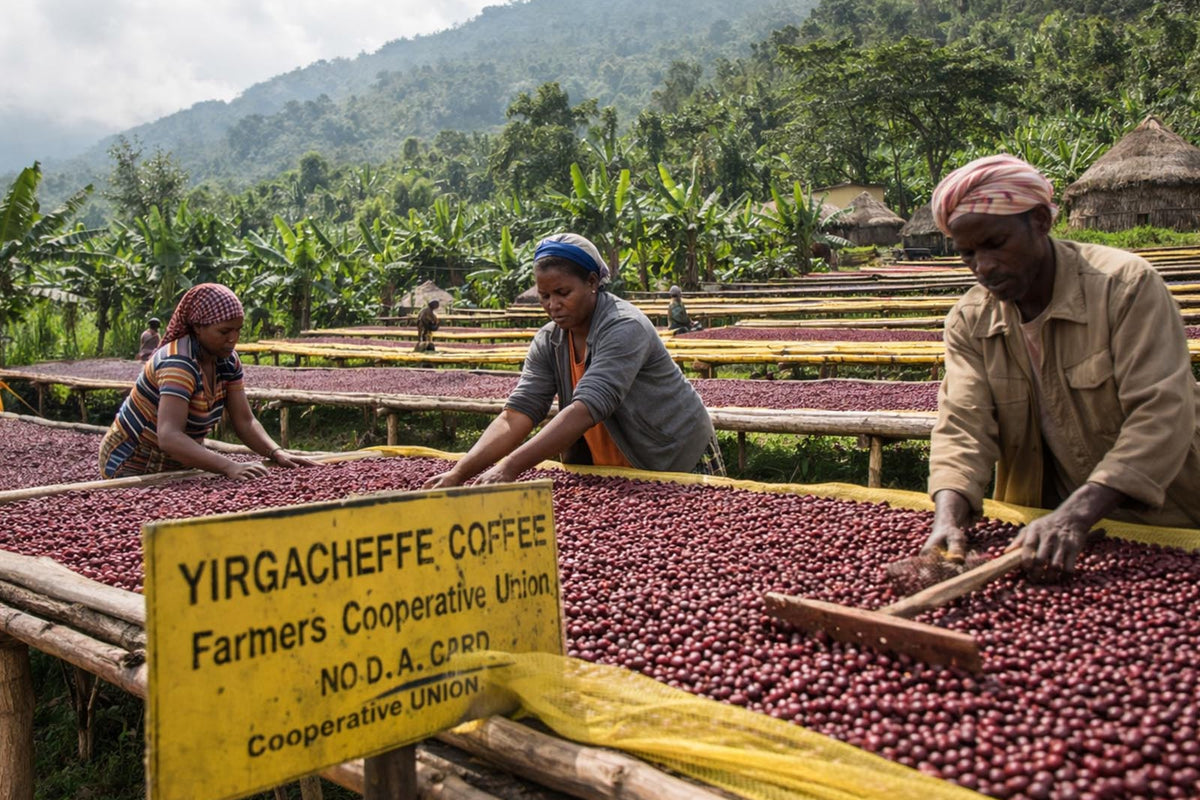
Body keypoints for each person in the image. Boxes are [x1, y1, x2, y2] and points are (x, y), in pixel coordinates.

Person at [920, 153, 1200, 577]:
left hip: (1172, 515)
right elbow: (963, 423)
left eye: (995, 244)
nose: (983, 267)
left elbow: (1161, 412)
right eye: (967, 254)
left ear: (1039, 221)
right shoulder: (970, 320)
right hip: (1049, 525)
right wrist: (949, 516)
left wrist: (1076, 515)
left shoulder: (1124, 287)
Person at [424, 233, 723, 488]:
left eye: (563, 293)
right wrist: (460, 472)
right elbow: (517, 414)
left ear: (592, 282)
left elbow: (587, 407)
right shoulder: (549, 340)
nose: (553, 305)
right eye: (544, 296)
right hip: (608, 466)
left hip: (670, 452)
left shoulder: (624, 326)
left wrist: (511, 467)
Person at [99, 283, 316, 481]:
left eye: (237, 330)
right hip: (133, 464)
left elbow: (245, 421)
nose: (233, 338)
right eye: (224, 331)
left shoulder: (227, 360)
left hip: (181, 461)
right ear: (198, 327)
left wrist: (275, 452)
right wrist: (229, 466)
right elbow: (169, 436)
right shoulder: (178, 363)